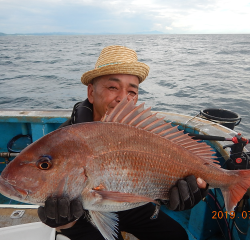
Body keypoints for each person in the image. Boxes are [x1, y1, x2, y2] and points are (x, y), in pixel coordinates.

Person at [38, 45, 208, 240]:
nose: (122, 98)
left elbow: (158, 176)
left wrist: (181, 195)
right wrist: (63, 220)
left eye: (132, 92)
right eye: (112, 87)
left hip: (131, 204)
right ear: (91, 93)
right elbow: (44, 182)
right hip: (83, 212)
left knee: (175, 235)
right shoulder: (64, 140)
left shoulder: (145, 134)